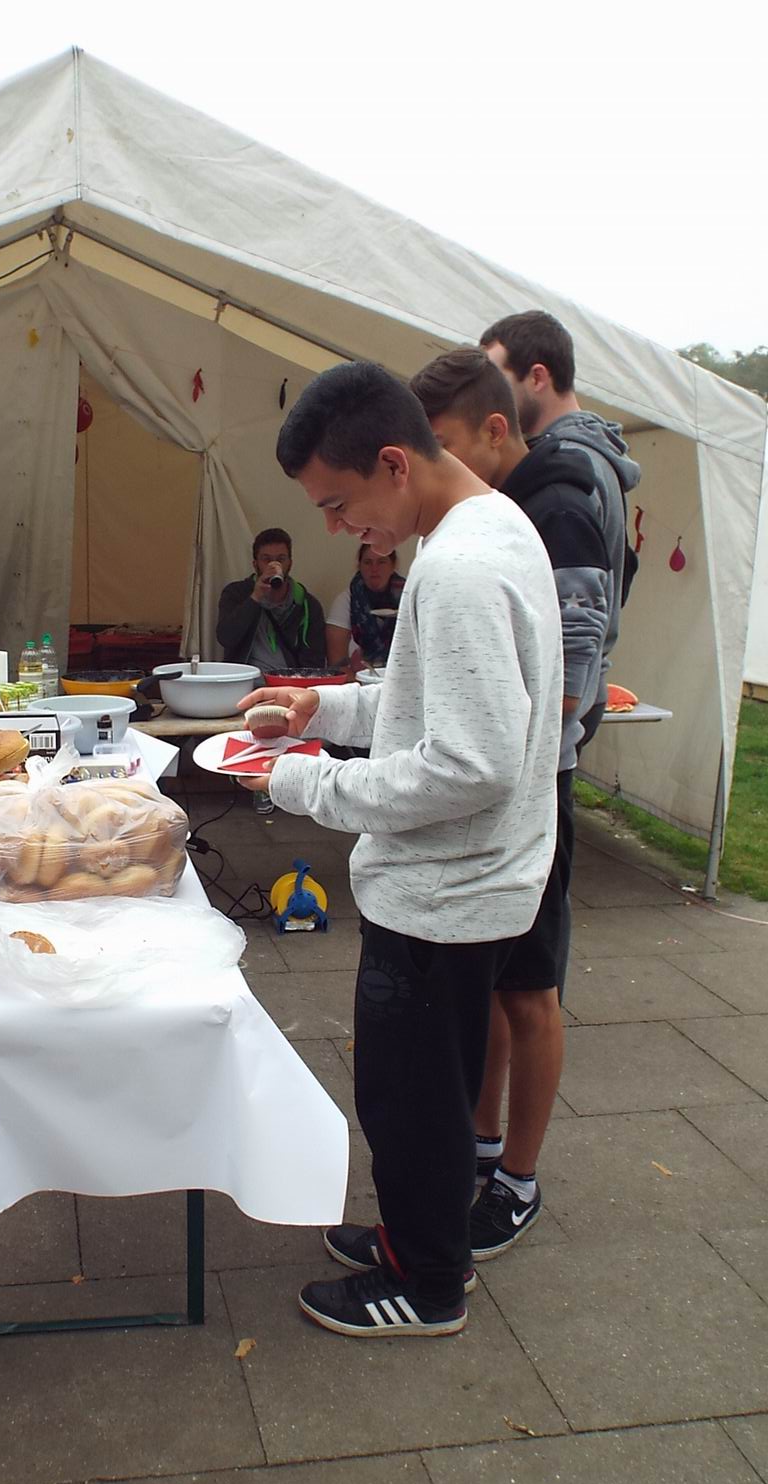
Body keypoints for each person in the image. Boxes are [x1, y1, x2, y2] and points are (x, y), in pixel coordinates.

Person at [238, 361, 562, 1339]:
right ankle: (417, 1236)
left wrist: (303, 783)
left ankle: (428, 1283)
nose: (340, 528)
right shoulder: (490, 527)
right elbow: (425, 702)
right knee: (423, 1091)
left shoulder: (458, 568)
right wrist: (323, 709)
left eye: (339, 504)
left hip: (443, 895)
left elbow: (470, 764)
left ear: (393, 462)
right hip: (468, 884)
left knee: (411, 1100)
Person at [410, 347, 611, 1259]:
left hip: (535, 786)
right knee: (493, 983)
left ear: (497, 428)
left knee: (530, 988)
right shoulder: (496, 507)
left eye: (444, 444)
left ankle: (518, 1179)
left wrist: (515, 745)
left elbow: (573, 657)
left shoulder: (553, 505)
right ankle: (482, 1147)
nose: (434, 467)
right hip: (512, 783)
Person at [480, 310, 641, 747]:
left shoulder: (569, 464)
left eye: (497, 381)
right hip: (571, 697)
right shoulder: (586, 455)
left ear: (537, 377)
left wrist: (562, 697)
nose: (487, 398)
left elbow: (579, 595)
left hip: (558, 709)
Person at [216, 528, 327, 671]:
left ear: (290, 563)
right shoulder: (236, 593)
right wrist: (255, 598)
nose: (274, 566)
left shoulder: (308, 605)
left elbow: (315, 661)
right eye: (266, 559)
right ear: (255, 564)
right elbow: (226, 638)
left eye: (281, 559)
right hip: (245, 677)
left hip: (288, 679)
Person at [325, 544, 406, 670]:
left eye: (381, 562)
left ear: (392, 566)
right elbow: (336, 665)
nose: (374, 568)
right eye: (368, 562)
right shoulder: (346, 600)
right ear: (360, 566)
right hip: (360, 677)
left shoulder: (408, 597)